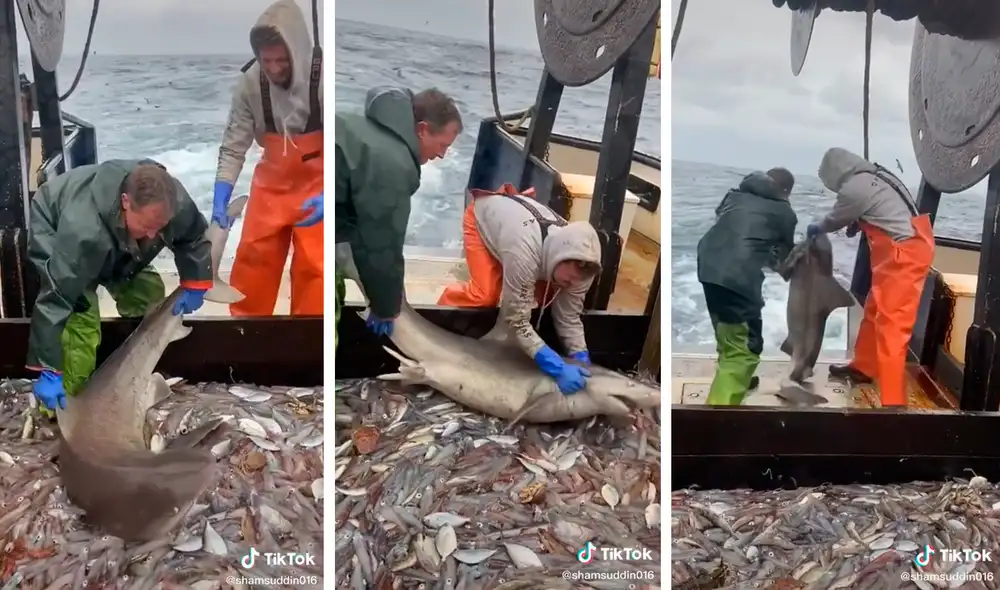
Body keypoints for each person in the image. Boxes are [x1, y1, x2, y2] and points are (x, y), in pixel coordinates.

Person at [27, 161, 213, 412]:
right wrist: (48, 367)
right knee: (81, 324)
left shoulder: (173, 202)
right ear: (126, 201)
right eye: (147, 227)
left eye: (159, 229)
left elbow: (193, 238)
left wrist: (196, 280)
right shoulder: (83, 230)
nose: (151, 236)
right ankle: (63, 408)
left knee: (148, 293)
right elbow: (56, 296)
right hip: (57, 227)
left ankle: (133, 367)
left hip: (113, 237)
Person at [212, 0, 324, 317]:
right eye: (266, 61)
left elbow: (342, 145)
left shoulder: (322, 77)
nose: (273, 69)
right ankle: (246, 338)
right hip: (271, 188)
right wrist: (221, 194)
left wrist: (331, 194)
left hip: (317, 188)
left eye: (281, 60)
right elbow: (234, 145)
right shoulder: (250, 83)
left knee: (316, 271)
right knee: (252, 264)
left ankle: (308, 341)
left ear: (297, 52)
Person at [437, 184, 603, 395]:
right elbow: (515, 319)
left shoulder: (582, 271)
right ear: (559, 259)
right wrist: (557, 367)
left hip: (521, 229)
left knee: (545, 299)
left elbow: (569, 317)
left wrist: (581, 356)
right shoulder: (525, 253)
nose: (571, 285)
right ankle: (441, 315)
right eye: (569, 280)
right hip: (486, 220)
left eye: (575, 283)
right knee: (485, 296)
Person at [334, 87, 462, 351]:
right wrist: (385, 307)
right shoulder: (392, 163)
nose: (442, 155)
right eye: (443, 145)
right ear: (423, 129)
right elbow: (381, 243)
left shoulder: (370, 131)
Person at [809, 147, 934, 407]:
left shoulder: (855, 188)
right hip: (896, 252)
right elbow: (880, 208)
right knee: (874, 311)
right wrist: (858, 222)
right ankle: (863, 367)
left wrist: (816, 228)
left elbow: (835, 218)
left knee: (892, 328)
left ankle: (893, 402)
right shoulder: (872, 176)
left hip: (905, 253)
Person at [697, 168, 798, 406]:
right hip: (737, 278)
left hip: (708, 267)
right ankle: (715, 418)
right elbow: (785, 262)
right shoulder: (786, 212)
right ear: (786, 191)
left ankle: (738, 378)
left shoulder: (734, 196)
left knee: (728, 332)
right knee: (745, 350)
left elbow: (731, 226)